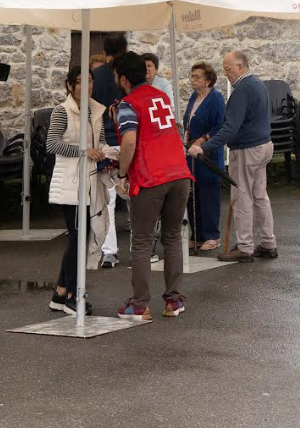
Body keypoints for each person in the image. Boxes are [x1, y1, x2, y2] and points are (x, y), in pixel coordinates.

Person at [112, 51, 193, 321]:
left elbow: (130, 142)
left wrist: (122, 173)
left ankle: (139, 304)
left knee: (143, 241)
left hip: (151, 177)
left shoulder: (127, 104)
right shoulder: (162, 97)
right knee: (172, 237)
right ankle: (174, 300)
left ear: (122, 78)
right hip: (180, 174)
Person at [190, 50, 276, 263]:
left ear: (240, 66)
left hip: (248, 149)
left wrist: (205, 147)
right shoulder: (258, 84)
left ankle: (245, 247)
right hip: (263, 145)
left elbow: (230, 128)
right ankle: (268, 243)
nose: (226, 74)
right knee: (259, 196)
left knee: (242, 198)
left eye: (228, 69)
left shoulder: (242, 90)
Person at [45, 65, 113, 316]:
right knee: (78, 240)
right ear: (70, 85)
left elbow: (101, 140)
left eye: (91, 81)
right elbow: (52, 144)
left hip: (91, 181)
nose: (88, 86)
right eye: (81, 82)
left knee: (80, 238)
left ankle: (61, 292)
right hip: (71, 184)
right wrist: (85, 151)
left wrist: (107, 152)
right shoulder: (62, 111)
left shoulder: (96, 110)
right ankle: (72, 294)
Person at [89, 33, 128, 268]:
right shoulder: (132, 71)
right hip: (130, 139)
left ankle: (109, 250)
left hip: (104, 142)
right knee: (136, 195)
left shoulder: (96, 76)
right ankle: (141, 248)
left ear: (105, 52)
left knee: (108, 200)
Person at [182, 61, 226, 254]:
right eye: (192, 76)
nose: (193, 80)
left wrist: (199, 142)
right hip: (191, 153)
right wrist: (186, 136)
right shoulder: (194, 97)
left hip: (208, 153)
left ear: (208, 80)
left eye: (197, 77)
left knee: (208, 194)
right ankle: (197, 234)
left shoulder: (215, 98)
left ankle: (211, 235)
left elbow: (218, 127)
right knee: (193, 194)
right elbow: (188, 121)